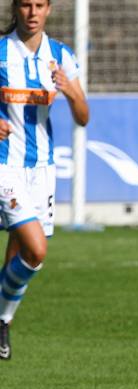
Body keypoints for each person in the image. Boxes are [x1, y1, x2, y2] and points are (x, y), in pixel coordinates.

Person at [0, 0, 89, 359]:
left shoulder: (61, 56)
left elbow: (83, 117)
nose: (32, 12)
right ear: (16, 9)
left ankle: (3, 321)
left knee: (21, 251)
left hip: (42, 169)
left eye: (39, 5)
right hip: (5, 164)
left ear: (49, 9)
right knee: (37, 249)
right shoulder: (2, 52)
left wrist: (69, 91)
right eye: (26, 5)